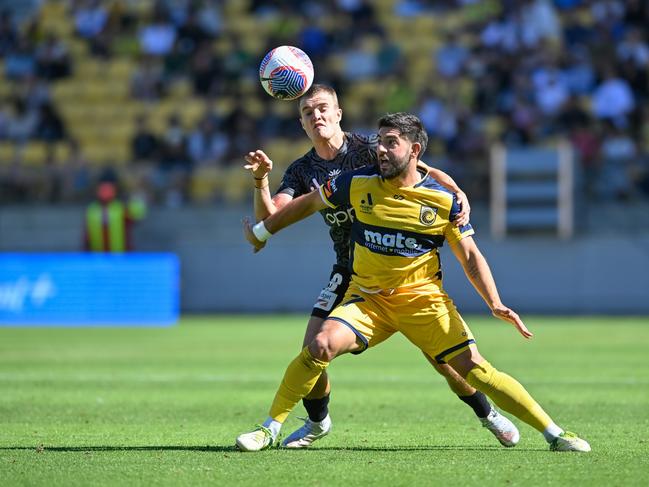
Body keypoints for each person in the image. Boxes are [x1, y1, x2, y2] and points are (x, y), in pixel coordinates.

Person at [237, 112, 590, 453]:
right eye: (381, 142)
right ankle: (270, 429)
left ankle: (554, 433)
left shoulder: (443, 200)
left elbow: (469, 255)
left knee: (472, 370)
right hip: (368, 298)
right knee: (318, 347)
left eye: (392, 143)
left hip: (423, 301)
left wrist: (494, 302)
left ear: (415, 151)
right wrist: (262, 230)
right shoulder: (354, 182)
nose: (382, 150)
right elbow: (306, 204)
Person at [83, 181, 146, 252]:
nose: (105, 193)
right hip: (97, 255)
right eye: (103, 190)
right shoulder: (92, 209)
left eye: (108, 190)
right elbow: (87, 233)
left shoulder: (121, 208)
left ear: (114, 192)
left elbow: (136, 216)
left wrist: (135, 195)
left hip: (120, 254)